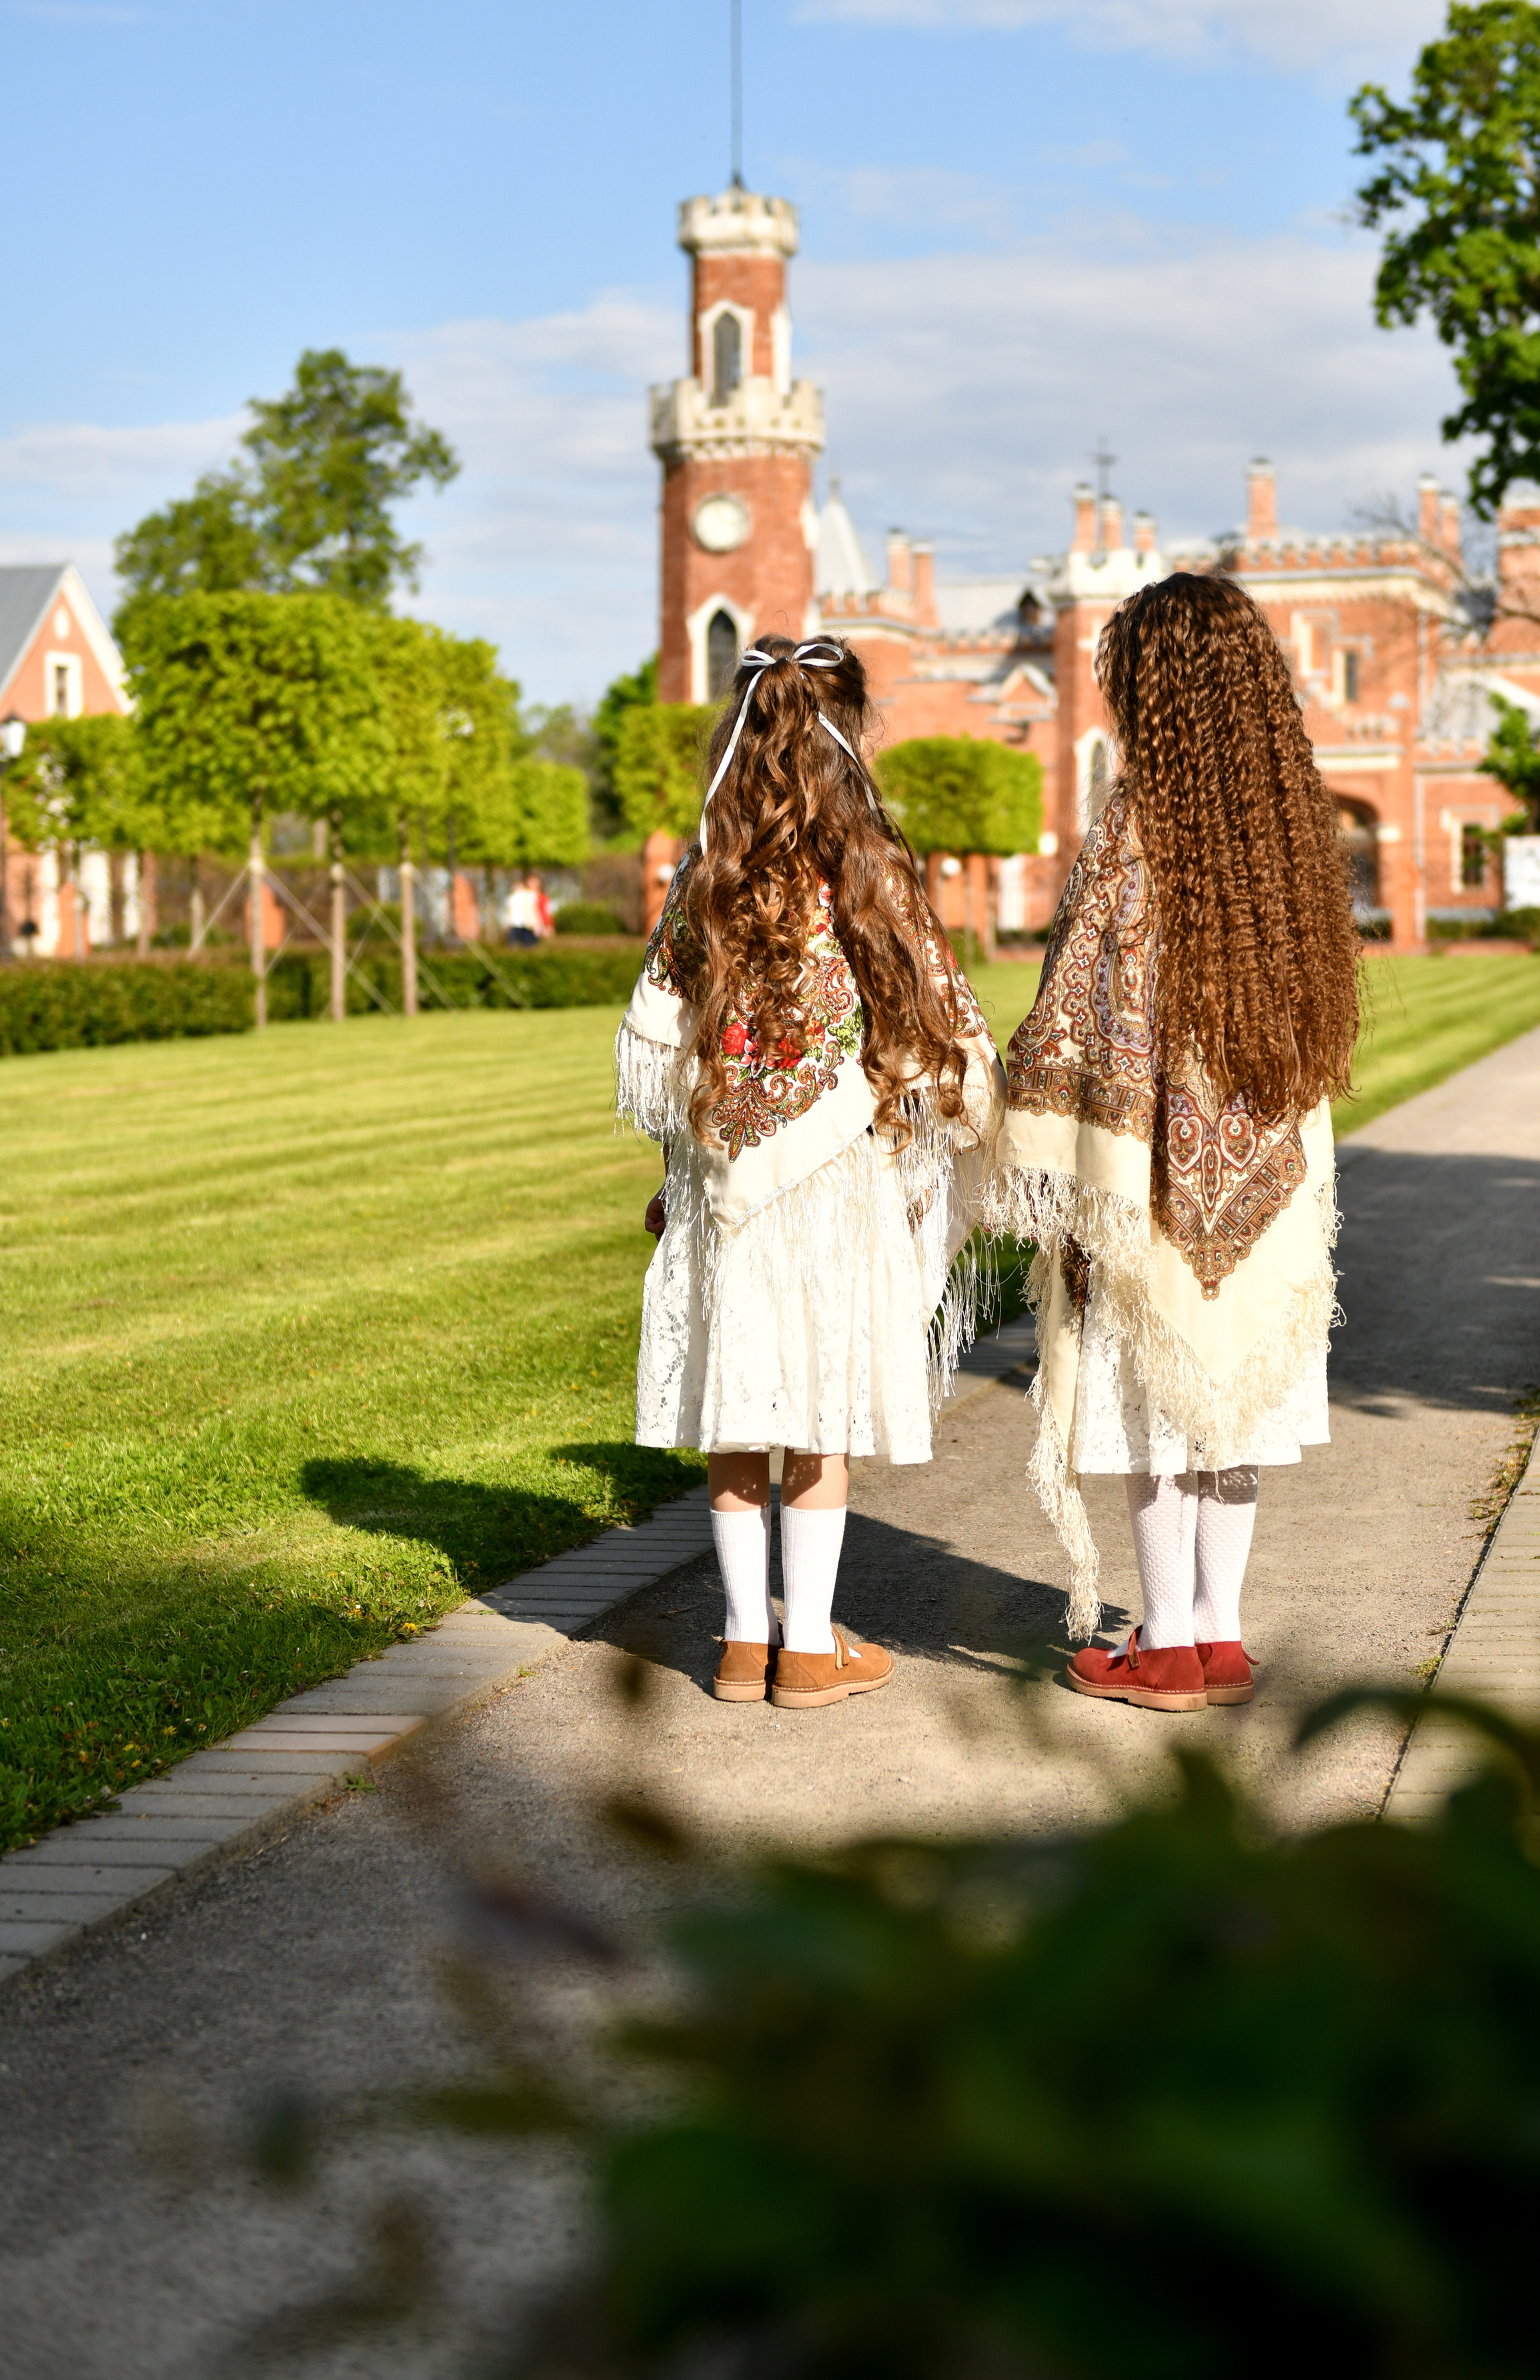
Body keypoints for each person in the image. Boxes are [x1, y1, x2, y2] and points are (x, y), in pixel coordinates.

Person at [985, 573, 1360, 1712]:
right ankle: (1222, 1635)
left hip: (1148, 1159)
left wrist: (1014, 1116)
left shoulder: (1136, 825)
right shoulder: (1294, 824)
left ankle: (1165, 1643)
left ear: (1150, 690)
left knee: (1155, 1395)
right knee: (1232, 1391)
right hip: (1271, 1160)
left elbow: (1078, 1009)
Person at [617, 633, 1004, 1708]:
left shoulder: (708, 878)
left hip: (724, 1179)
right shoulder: (873, 876)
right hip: (837, 1182)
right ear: (845, 741)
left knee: (742, 1415)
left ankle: (744, 1643)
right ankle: (810, 1649)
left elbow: (660, 1047)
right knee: (821, 1415)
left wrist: (674, 1169)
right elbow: (945, 1034)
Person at [504, 876, 540, 948]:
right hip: (514, 925)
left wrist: (537, 924)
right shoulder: (511, 898)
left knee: (528, 945)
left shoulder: (530, 895)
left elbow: (534, 910)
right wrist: (506, 924)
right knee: (513, 945)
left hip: (527, 925)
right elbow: (509, 912)